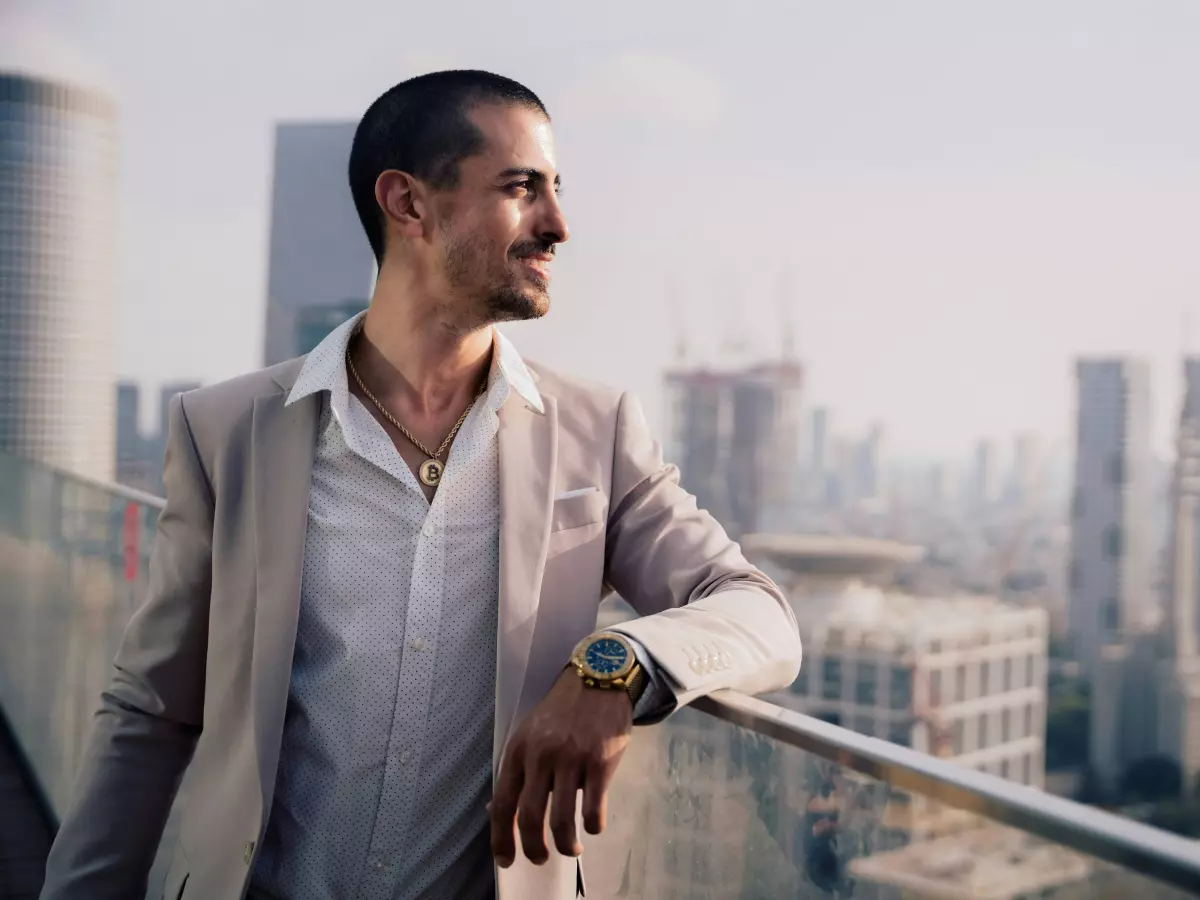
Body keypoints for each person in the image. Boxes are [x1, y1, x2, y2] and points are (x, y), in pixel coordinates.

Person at [41, 70, 802, 900]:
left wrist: (613, 666)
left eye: (555, 189)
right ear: (407, 204)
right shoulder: (225, 431)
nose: (559, 225)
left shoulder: (598, 431)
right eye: (522, 189)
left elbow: (760, 614)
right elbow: (151, 714)